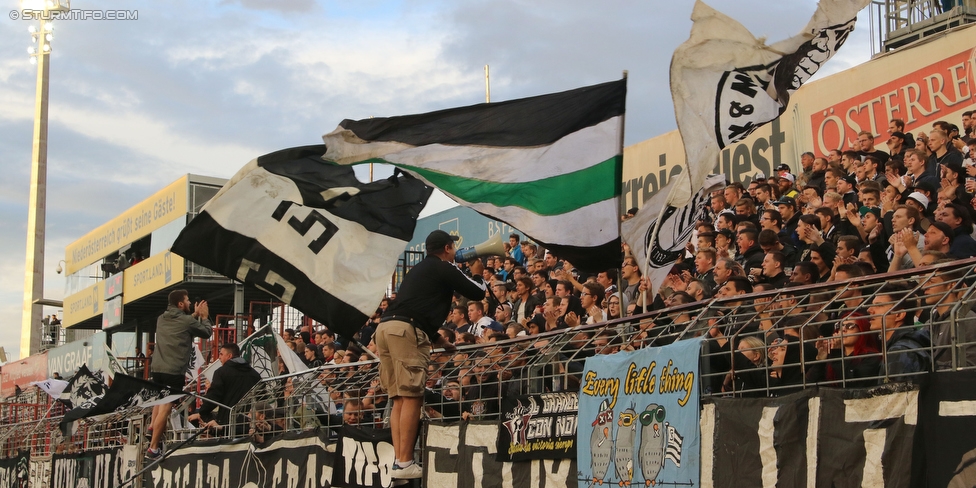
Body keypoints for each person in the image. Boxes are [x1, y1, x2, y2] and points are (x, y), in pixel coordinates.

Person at [375, 230, 487, 479]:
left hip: (385, 329)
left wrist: (439, 341)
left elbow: (416, 309)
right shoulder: (443, 266)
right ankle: (404, 462)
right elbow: (478, 293)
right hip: (405, 330)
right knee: (412, 395)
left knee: (398, 398)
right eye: (453, 248)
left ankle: (398, 463)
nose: (456, 252)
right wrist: (478, 271)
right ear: (447, 248)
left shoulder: (417, 270)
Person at [147, 289, 212, 459]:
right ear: (181, 304)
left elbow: (182, 323)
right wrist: (203, 317)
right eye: (188, 300)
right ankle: (153, 448)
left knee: (159, 399)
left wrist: (193, 315)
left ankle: (152, 427)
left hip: (157, 368)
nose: (191, 303)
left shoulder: (161, 318)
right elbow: (206, 332)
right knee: (166, 406)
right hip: (173, 370)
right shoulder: (185, 321)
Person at [187, 343, 262, 435]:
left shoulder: (221, 373)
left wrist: (203, 412)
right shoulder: (255, 375)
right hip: (250, 424)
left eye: (221, 354)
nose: (219, 358)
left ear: (229, 356)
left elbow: (214, 396)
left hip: (227, 423)